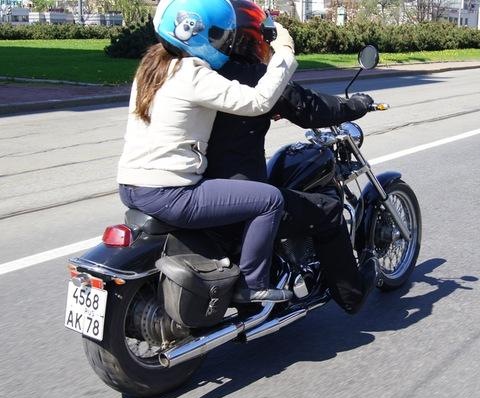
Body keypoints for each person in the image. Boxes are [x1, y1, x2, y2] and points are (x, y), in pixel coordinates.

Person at [117, 0, 299, 303]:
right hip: (170, 192)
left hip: (131, 185)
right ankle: (251, 285)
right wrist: (284, 53)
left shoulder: (151, 65)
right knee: (270, 200)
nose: (222, 42)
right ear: (200, 34)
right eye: (217, 34)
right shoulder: (193, 74)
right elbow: (257, 102)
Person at [204, 0, 378, 314]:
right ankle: (352, 295)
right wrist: (358, 105)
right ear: (252, 37)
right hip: (240, 196)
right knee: (327, 211)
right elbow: (311, 107)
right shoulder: (256, 77)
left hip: (198, 191)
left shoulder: (203, 74)